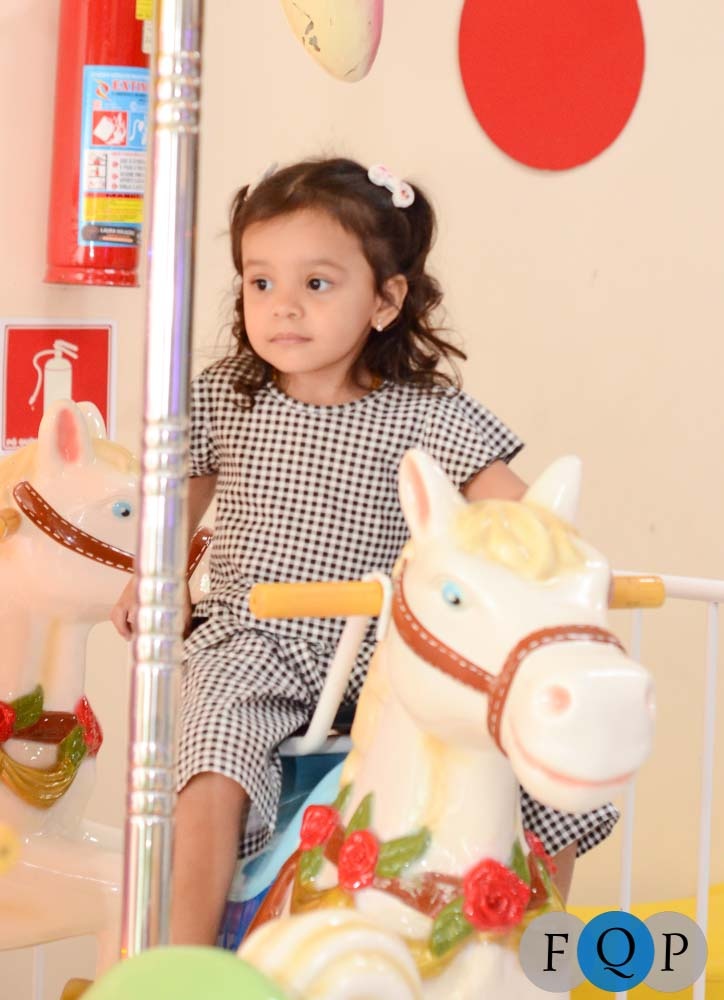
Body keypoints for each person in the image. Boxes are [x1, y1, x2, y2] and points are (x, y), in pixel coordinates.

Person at [111, 157, 618, 945]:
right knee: (210, 762)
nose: (283, 306)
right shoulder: (225, 395)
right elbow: (178, 505)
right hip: (254, 642)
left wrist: (559, 573)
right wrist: (157, 577)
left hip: (385, 651)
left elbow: (521, 521)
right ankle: (178, 959)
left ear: (385, 299)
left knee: (524, 759)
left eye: (316, 283)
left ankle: (535, 945)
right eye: (260, 282)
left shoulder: (429, 415)